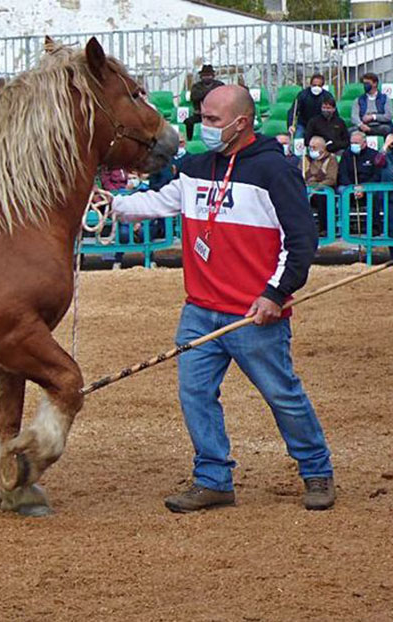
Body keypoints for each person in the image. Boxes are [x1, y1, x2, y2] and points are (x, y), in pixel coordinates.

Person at [111, 85, 334, 513]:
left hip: (255, 314)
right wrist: (113, 206)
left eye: (212, 120)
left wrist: (276, 294)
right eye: (202, 118)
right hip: (199, 310)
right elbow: (159, 202)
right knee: (195, 394)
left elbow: (302, 240)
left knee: (282, 394)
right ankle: (213, 477)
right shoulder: (195, 167)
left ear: (241, 122)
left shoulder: (274, 169)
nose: (203, 127)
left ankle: (316, 470)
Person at [338, 131, 386, 235]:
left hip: (368, 187)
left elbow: (377, 176)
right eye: (352, 143)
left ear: (364, 143)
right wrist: (353, 188)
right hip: (350, 187)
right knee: (342, 191)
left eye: (356, 143)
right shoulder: (346, 155)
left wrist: (363, 188)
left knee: (374, 194)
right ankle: (345, 227)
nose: (353, 145)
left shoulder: (373, 154)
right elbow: (342, 174)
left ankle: (375, 228)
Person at [302, 136, 338, 235]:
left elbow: (331, 179)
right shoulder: (304, 159)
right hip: (306, 189)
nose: (311, 150)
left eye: (314, 147)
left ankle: (324, 229)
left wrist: (317, 188)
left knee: (322, 198)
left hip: (322, 189)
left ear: (322, 148)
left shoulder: (331, 159)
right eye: (310, 147)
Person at [183, 64, 224, 140]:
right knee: (188, 122)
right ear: (201, 76)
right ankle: (190, 140)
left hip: (216, 114)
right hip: (200, 114)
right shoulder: (196, 86)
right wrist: (211, 93)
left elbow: (224, 97)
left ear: (213, 76)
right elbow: (194, 97)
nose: (207, 77)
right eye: (204, 75)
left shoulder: (220, 84)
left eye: (209, 75)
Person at [288, 74, 328, 139]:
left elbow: (333, 111)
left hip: (321, 125)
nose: (316, 87)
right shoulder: (302, 95)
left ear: (323, 86)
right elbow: (293, 111)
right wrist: (290, 125)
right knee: (298, 139)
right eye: (314, 85)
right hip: (303, 124)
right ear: (310, 84)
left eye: (319, 85)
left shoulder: (327, 96)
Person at [351, 73, 392, 137]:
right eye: (364, 83)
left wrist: (373, 117)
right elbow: (354, 117)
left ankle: (370, 131)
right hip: (364, 126)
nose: (365, 85)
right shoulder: (358, 100)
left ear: (375, 83)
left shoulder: (385, 98)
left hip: (380, 125)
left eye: (367, 83)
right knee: (351, 131)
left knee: (386, 129)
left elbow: (388, 116)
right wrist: (361, 125)